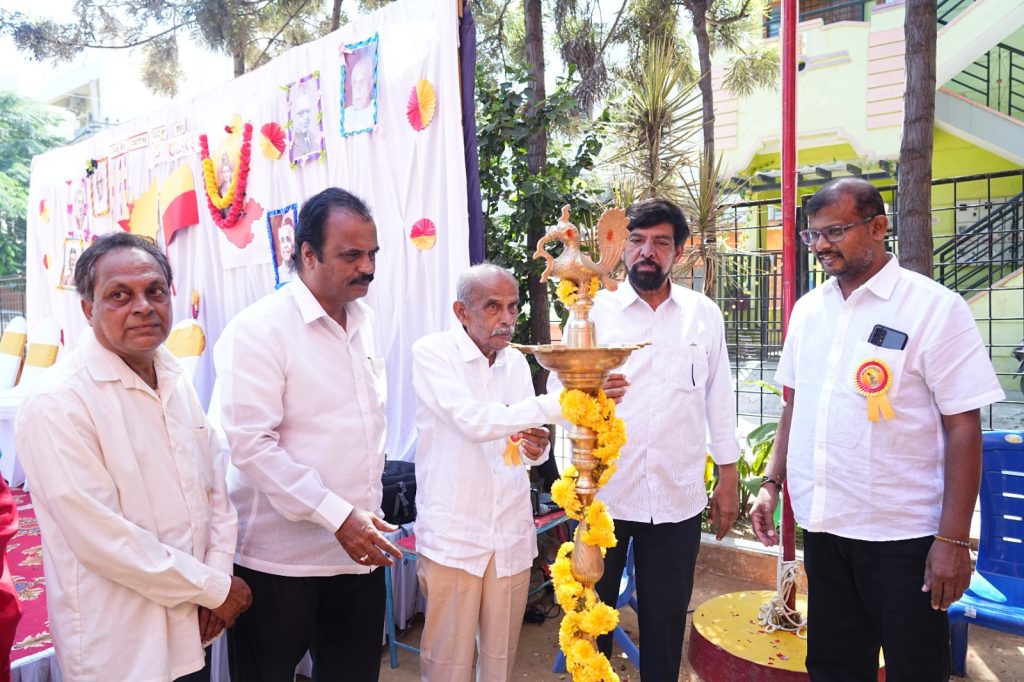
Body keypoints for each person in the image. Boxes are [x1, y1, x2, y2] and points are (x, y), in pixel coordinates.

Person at [751, 178, 1005, 681]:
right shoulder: (809, 310)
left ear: (878, 227)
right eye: (813, 234)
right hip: (826, 528)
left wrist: (954, 540)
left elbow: (963, 426)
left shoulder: (934, 308)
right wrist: (771, 483)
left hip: (903, 537)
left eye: (836, 231)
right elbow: (795, 404)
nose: (821, 245)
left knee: (915, 669)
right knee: (834, 666)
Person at [16, 232, 251, 681]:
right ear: (88, 309)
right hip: (122, 645)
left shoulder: (174, 376)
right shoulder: (58, 402)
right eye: (119, 295)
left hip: (196, 623)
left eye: (155, 291)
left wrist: (216, 580)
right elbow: (101, 538)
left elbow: (214, 488)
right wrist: (213, 587)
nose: (143, 306)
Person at [215, 187, 400, 681]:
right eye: (351, 255)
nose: (367, 267)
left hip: (357, 556)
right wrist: (338, 517)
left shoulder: (364, 321)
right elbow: (251, 445)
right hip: (280, 564)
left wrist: (355, 520)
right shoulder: (259, 329)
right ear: (308, 254)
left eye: (372, 254)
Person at [554, 197, 740, 680]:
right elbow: (559, 393)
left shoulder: (703, 314)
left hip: (676, 497)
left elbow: (719, 397)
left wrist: (729, 475)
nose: (646, 252)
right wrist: (591, 389)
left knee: (665, 622)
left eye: (660, 242)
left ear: (679, 250)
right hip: (604, 496)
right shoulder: (592, 311)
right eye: (636, 241)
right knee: (589, 618)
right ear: (620, 246)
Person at [411, 263, 562, 681]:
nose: (507, 318)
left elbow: (523, 444)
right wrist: (558, 404)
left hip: (510, 534)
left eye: (513, 306)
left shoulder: (515, 363)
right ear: (461, 311)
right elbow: (474, 423)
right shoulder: (432, 353)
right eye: (493, 306)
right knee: (448, 665)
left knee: (499, 661)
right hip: (455, 537)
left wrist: (537, 449)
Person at [343, 54, 375, 132]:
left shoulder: (376, 109)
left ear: (370, 84)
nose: (357, 88)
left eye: (362, 82)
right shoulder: (345, 115)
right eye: (354, 82)